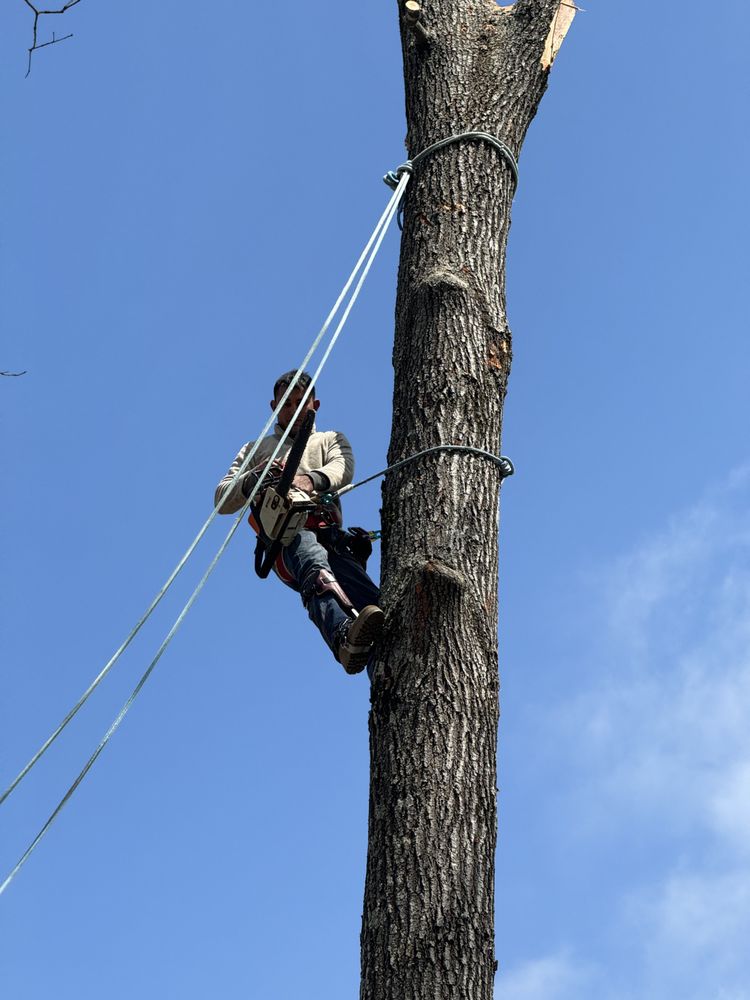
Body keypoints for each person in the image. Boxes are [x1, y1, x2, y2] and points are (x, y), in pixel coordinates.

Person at [215, 370, 384, 674]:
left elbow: (342, 469)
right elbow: (221, 499)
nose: (292, 409)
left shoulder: (329, 439)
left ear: (314, 405)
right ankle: (342, 636)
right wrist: (255, 477)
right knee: (312, 562)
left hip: (330, 532)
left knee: (372, 601)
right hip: (286, 536)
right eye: (286, 404)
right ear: (274, 407)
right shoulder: (256, 450)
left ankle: (384, 668)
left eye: (299, 402)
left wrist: (307, 479)